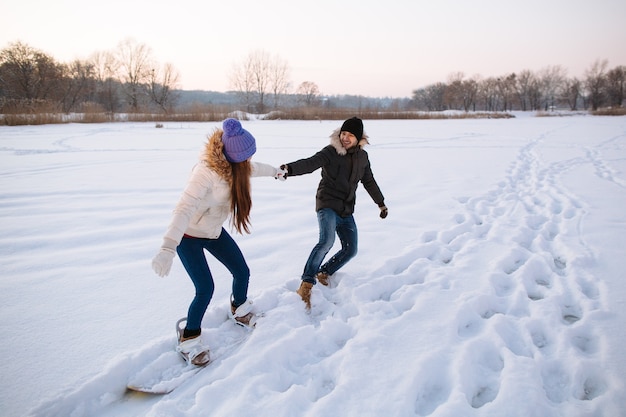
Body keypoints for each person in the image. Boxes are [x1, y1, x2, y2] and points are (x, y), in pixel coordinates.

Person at [151, 118, 284, 366]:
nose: (248, 162)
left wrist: (276, 171)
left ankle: (240, 309)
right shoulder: (205, 172)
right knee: (205, 289)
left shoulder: (240, 165)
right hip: (188, 237)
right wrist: (168, 246)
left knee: (242, 271)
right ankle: (189, 338)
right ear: (231, 155)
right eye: (245, 157)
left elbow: (257, 168)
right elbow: (184, 208)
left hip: (212, 232)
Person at [280, 117, 388, 309]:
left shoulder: (362, 158)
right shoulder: (330, 152)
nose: (345, 138)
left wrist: (381, 203)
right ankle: (306, 284)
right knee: (326, 241)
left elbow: (369, 181)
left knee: (351, 249)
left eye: (350, 135)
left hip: (346, 209)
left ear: (358, 138)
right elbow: (311, 163)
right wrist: (289, 169)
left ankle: (324, 272)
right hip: (327, 203)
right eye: (343, 133)